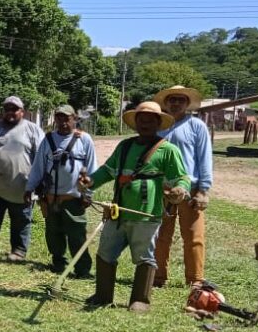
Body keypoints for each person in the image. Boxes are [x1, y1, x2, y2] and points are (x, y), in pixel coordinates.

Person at [79, 101, 190, 312]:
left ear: (158, 123)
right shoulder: (125, 146)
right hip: (118, 212)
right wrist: (90, 181)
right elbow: (108, 171)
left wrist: (180, 190)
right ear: (135, 123)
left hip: (146, 216)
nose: (145, 124)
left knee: (144, 256)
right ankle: (103, 295)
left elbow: (182, 178)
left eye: (150, 120)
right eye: (141, 120)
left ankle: (140, 300)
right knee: (105, 252)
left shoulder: (167, 150)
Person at [25, 105, 97, 277]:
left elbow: (93, 170)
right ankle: (59, 263)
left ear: (74, 119)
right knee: (53, 234)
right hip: (50, 198)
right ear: (55, 119)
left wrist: (89, 194)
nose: (63, 122)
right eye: (59, 118)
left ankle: (82, 269)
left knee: (77, 236)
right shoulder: (48, 140)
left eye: (67, 118)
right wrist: (29, 188)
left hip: (73, 198)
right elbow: (38, 167)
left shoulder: (84, 140)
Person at [153, 85, 212, 288]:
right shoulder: (159, 126)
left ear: (187, 103)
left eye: (180, 99)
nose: (176, 103)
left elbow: (205, 158)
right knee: (160, 235)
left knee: (194, 236)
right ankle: (158, 276)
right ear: (166, 103)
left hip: (190, 190)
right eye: (172, 99)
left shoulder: (197, 126)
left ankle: (195, 279)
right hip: (162, 190)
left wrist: (203, 190)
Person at [0, 96, 44, 261]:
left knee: (21, 220)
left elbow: (42, 157)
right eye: (7, 109)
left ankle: (19, 251)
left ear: (23, 112)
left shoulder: (33, 130)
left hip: (22, 187)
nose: (10, 112)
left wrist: (38, 183)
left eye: (14, 109)